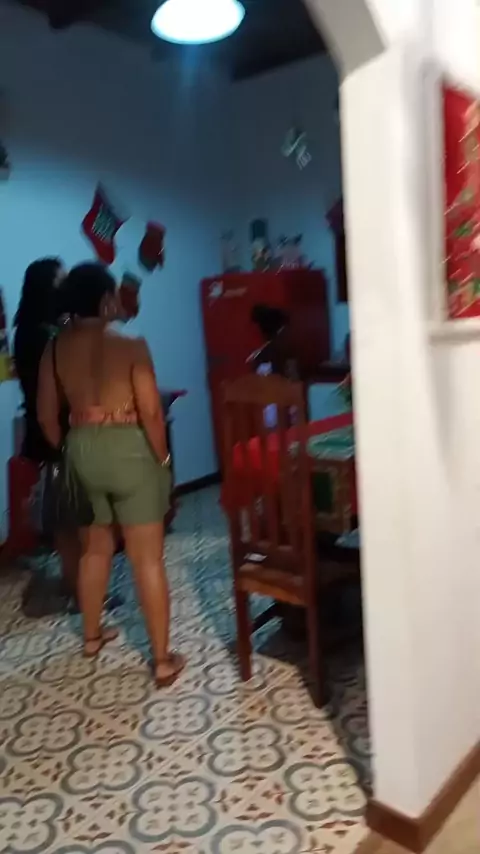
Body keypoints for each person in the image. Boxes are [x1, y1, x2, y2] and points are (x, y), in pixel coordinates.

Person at [37, 262, 184, 687]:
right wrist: (162, 460)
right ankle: (161, 661)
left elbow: (47, 417)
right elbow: (151, 412)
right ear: (105, 301)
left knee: (94, 550)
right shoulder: (132, 346)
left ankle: (91, 637)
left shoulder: (54, 349)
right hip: (129, 448)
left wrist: (71, 448)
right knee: (146, 558)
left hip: (81, 449)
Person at [13, 257, 79, 613]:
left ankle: (76, 585)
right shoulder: (38, 334)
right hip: (55, 433)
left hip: (53, 430)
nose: (66, 288)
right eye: (60, 281)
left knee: (70, 515)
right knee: (71, 518)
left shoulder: (40, 328)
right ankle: (78, 589)